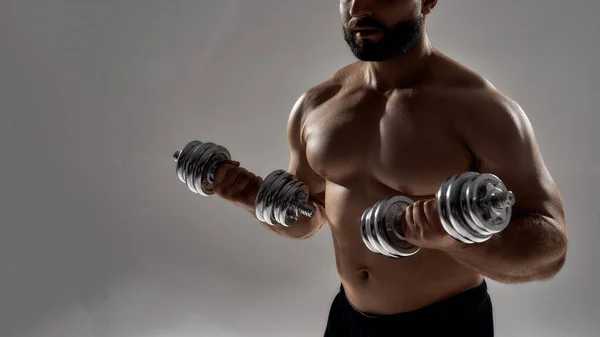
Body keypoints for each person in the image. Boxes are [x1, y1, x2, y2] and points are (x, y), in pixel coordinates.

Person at [211, 1, 568, 336]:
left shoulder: (479, 108)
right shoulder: (318, 104)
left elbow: (550, 251)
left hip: (446, 325)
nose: (359, 7)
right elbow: (308, 217)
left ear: (427, 0)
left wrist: (456, 242)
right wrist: (251, 198)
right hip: (348, 319)